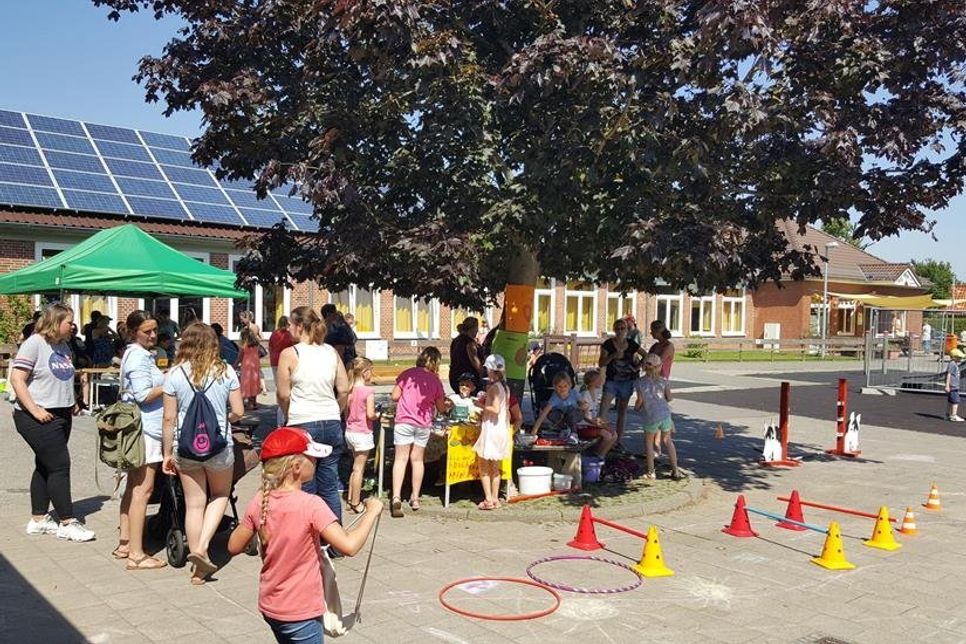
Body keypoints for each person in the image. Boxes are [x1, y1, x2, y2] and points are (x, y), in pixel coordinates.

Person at [227, 427, 383, 644]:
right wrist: (371, 512)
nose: (316, 461)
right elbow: (349, 546)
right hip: (301, 612)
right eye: (312, 457)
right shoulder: (311, 505)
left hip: (271, 606)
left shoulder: (260, 500)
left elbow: (233, 546)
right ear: (296, 467)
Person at [162, 322, 244, 585]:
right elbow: (239, 411)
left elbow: (168, 418)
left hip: (185, 446)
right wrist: (222, 420)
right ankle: (201, 549)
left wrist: (166, 453)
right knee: (220, 494)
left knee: (194, 503)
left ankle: (198, 556)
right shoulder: (225, 371)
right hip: (219, 445)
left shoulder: (174, 374)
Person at [12, 302, 95, 542]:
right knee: (59, 466)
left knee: (45, 465)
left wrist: (74, 400)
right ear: (55, 322)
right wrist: (35, 409)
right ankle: (67, 522)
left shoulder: (63, 345)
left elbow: (63, 377)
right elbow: (17, 379)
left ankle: (38, 519)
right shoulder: (34, 344)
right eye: (69, 322)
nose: (73, 326)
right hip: (36, 416)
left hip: (61, 414)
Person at [276, 306, 349, 525]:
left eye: (291, 324)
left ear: (300, 326)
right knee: (329, 486)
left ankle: (307, 534)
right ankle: (334, 536)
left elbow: (283, 394)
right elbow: (344, 389)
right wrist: (336, 411)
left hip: (303, 422)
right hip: (331, 421)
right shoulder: (330, 352)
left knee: (304, 484)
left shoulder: (290, 354)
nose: (288, 329)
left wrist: (289, 414)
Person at [114, 310, 167, 570]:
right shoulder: (138, 357)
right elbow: (143, 395)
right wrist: (171, 381)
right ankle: (136, 553)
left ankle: (125, 542)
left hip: (140, 429)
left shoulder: (137, 355)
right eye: (147, 331)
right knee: (143, 489)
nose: (153, 335)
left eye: (155, 330)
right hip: (146, 430)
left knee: (133, 486)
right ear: (135, 332)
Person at [389, 347, 451, 518]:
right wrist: (446, 406)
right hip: (423, 423)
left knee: (400, 459)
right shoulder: (435, 380)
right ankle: (415, 497)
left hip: (404, 420)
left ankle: (396, 496)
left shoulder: (407, 374)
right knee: (417, 460)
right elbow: (440, 407)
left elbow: (394, 396)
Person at [598, 318, 648, 450]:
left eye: (623, 328)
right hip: (612, 380)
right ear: (614, 330)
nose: (620, 331)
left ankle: (618, 441)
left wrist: (638, 367)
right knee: (604, 408)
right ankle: (601, 438)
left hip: (627, 380)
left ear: (626, 330)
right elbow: (601, 363)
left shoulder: (631, 343)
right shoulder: (608, 344)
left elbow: (645, 355)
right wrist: (613, 356)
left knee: (622, 411)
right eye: (617, 328)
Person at [474, 354, 511, 510]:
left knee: (484, 465)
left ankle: (488, 499)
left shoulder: (494, 388)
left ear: (490, 370)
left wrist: (480, 405)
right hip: (501, 428)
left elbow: (495, 409)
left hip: (492, 428)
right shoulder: (505, 387)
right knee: (496, 467)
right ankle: (495, 498)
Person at [635, 353, 681, 480]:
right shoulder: (663, 381)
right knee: (668, 441)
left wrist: (637, 408)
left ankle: (651, 471)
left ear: (644, 367)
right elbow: (669, 398)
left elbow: (640, 400)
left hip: (651, 416)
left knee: (649, 443)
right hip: (665, 414)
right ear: (660, 367)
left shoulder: (640, 382)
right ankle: (675, 469)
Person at [345, 357, 377, 514]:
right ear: (365, 372)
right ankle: (356, 503)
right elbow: (370, 414)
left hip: (350, 431)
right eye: (371, 370)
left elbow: (346, 413)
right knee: (359, 469)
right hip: (363, 433)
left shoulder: (349, 391)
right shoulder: (368, 392)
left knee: (354, 468)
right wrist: (377, 415)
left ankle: (350, 498)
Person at [529, 371, 587, 436]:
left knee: (572, 412)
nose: (562, 389)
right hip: (562, 416)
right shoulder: (554, 398)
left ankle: (574, 433)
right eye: (559, 386)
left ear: (570, 386)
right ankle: (564, 428)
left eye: (565, 386)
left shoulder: (574, 393)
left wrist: (582, 407)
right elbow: (543, 415)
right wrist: (534, 432)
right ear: (554, 386)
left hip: (575, 415)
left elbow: (585, 404)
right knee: (549, 411)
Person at [580, 368, 618, 459]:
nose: (601, 382)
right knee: (608, 436)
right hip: (583, 426)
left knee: (614, 435)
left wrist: (603, 423)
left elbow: (594, 414)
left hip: (591, 424)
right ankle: (597, 456)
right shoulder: (584, 395)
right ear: (592, 382)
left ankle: (600, 455)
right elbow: (584, 416)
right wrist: (600, 425)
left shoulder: (595, 393)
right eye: (598, 380)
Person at [449, 317, 483, 394]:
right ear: (473, 328)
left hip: (454, 375)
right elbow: (475, 362)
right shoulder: (469, 343)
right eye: (477, 328)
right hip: (467, 379)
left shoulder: (456, 340)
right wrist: (483, 373)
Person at [239, 326, 267, 410]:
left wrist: (235, 364)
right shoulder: (256, 344)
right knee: (254, 383)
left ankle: (246, 402)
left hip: (246, 366)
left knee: (246, 383)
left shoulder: (243, 345)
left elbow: (240, 356)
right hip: (255, 365)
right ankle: (254, 402)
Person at [268, 316, 295, 383]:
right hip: (285, 359)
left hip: (274, 359)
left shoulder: (274, 333)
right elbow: (292, 348)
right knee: (286, 382)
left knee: (277, 381)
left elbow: (270, 347)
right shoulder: (288, 335)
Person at [946, 348, 964, 422]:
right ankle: (953, 415)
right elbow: (949, 374)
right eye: (959, 357)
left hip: (954, 386)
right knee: (955, 401)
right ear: (954, 357)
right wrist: (947, 385)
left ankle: (948, 414)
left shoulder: (954, 364)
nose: (961, 359)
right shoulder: (952, 364)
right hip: (953, 386)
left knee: (951, 401)